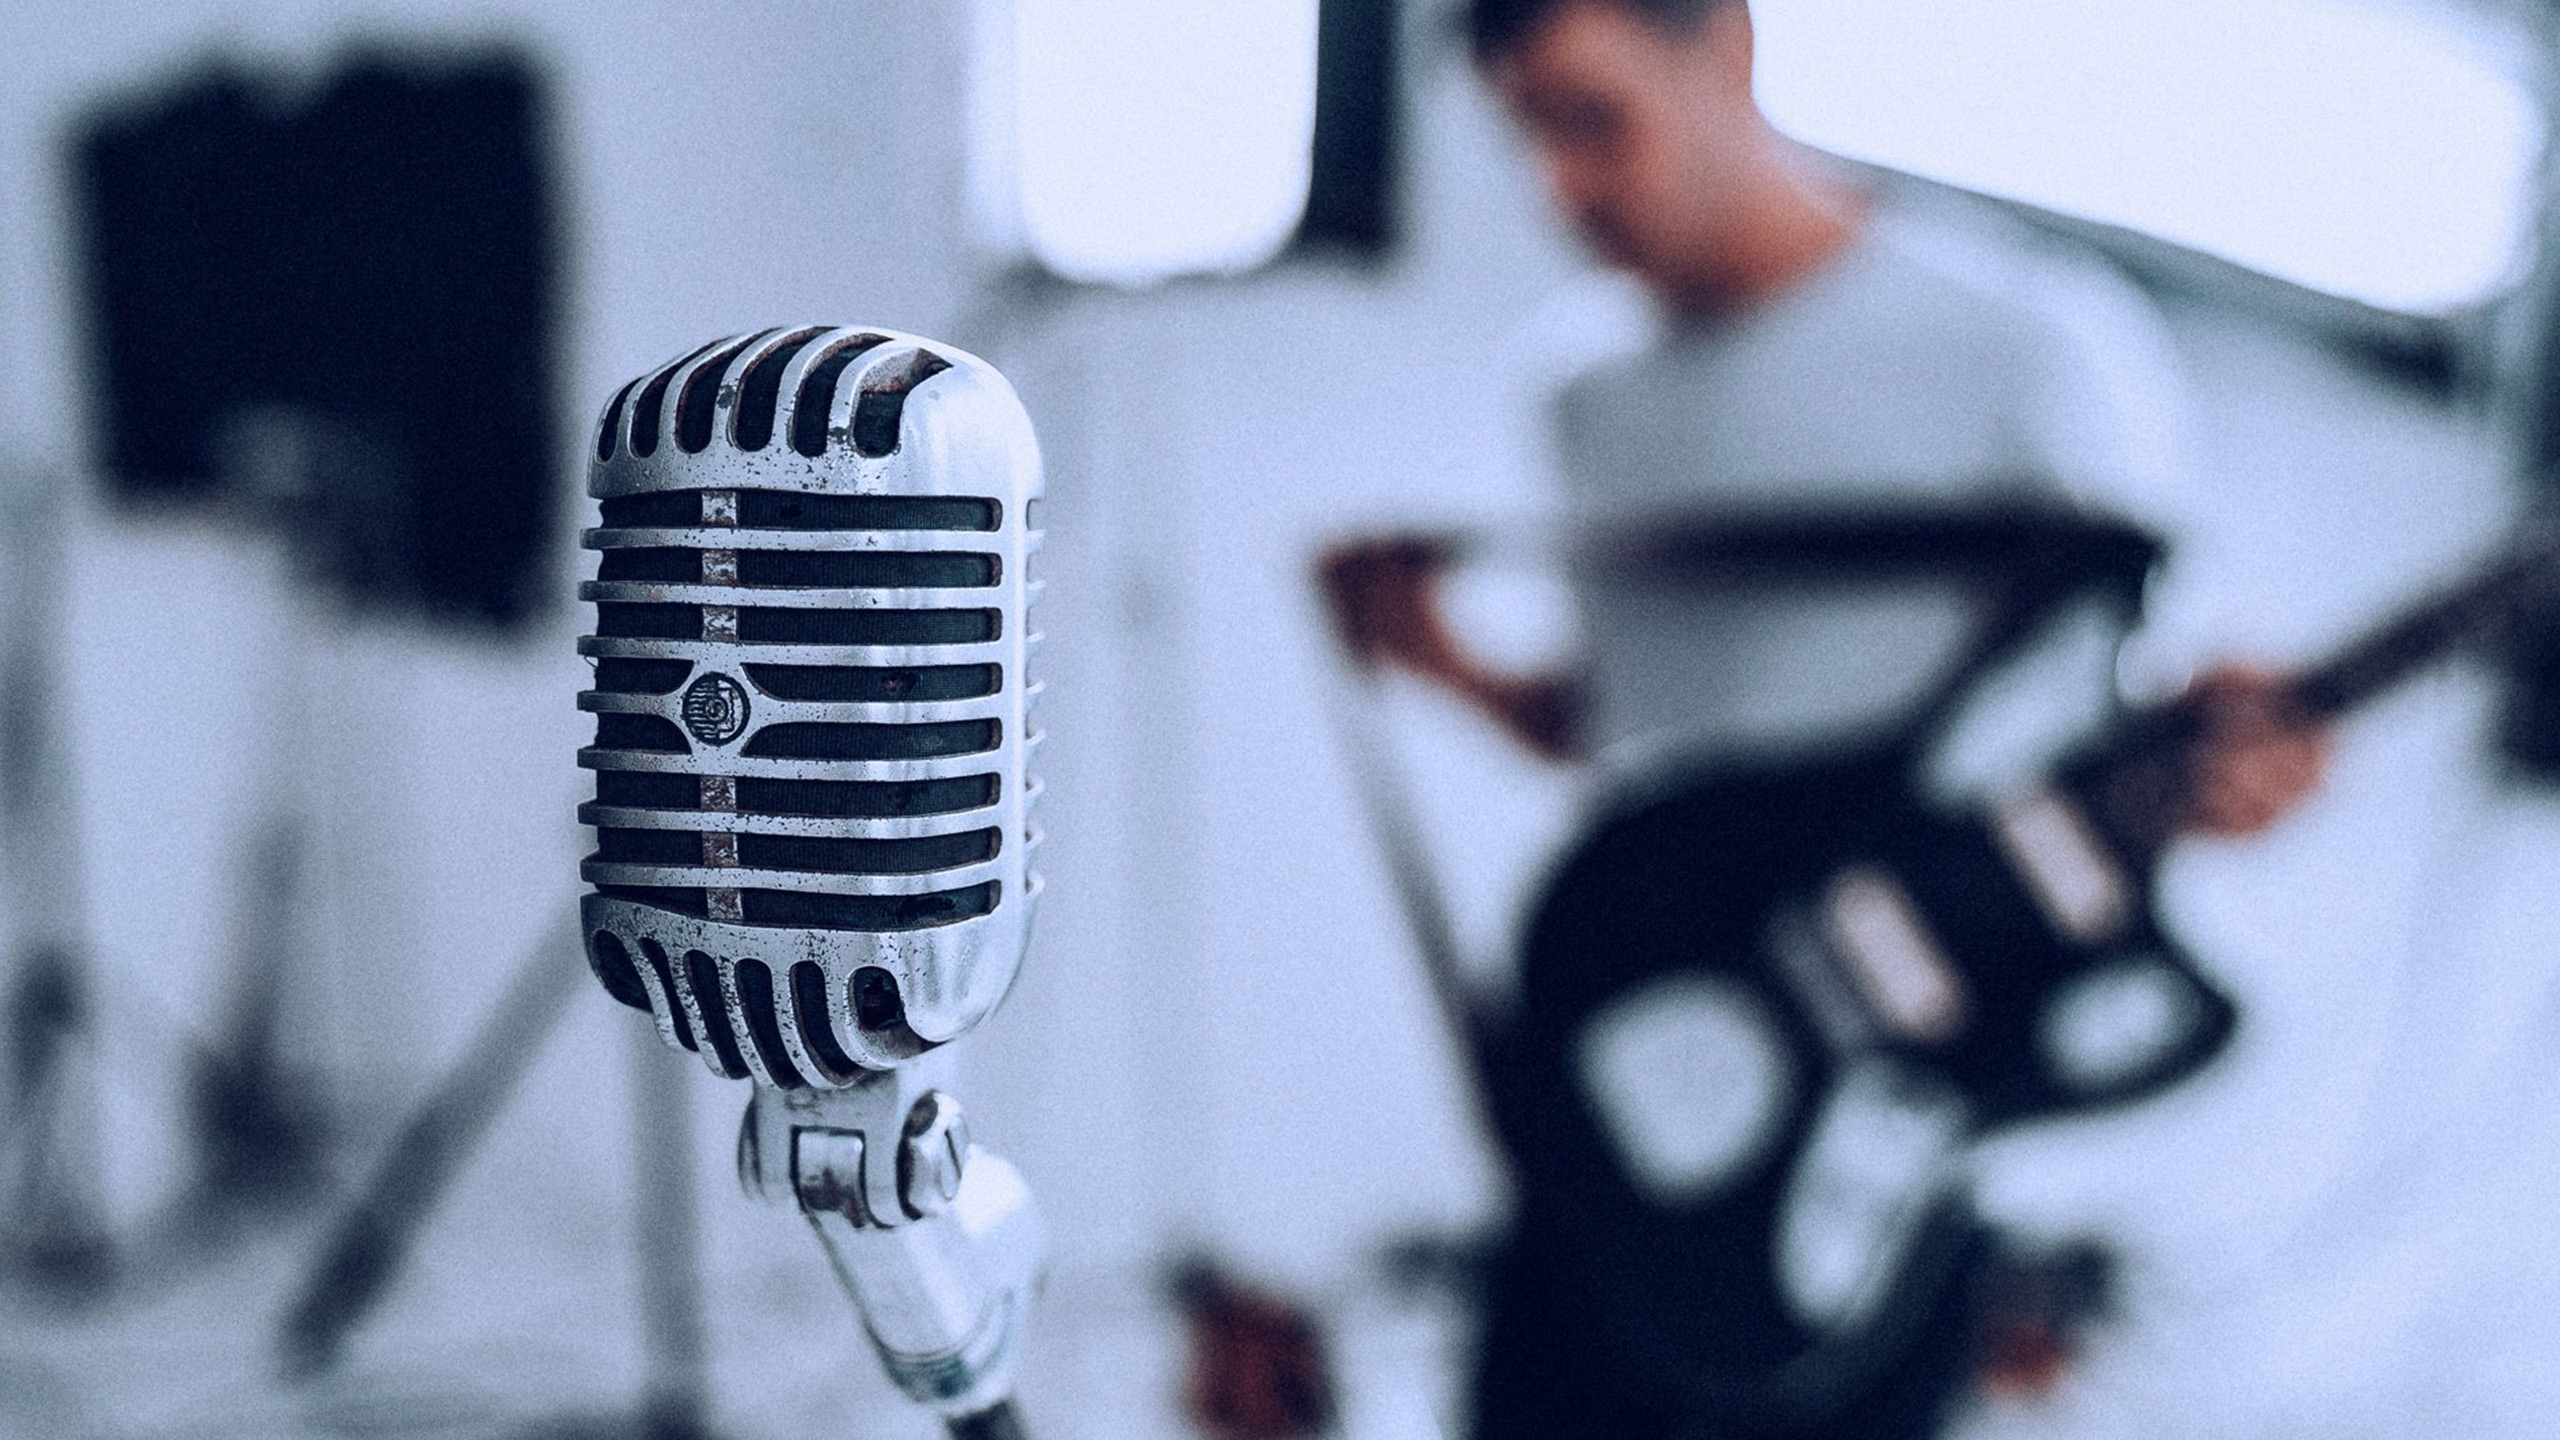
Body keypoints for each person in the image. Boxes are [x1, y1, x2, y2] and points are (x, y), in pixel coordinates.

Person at [1321, 0, 2332, 1435]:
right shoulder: (1583, 395)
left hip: (1875, 1136)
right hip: (1639, 1067)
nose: (1562, 185)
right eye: (1525, 137)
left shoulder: (2026, 342)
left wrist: (2235, 763)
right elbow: (1637, 723)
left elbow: (2111, 722)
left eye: (1590, 116)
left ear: (1725, 45)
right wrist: (1445, 664)